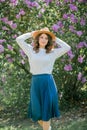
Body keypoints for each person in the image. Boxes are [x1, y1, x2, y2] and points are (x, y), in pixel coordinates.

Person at [16, 27, 71, 130]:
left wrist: (54, 38)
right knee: (36, 113)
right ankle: (48, 128)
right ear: (37, 39)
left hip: (48, 83)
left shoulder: (53, 52)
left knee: (46, 112)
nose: (44, 39)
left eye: (46, 38)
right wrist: (32, 33)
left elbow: (67, 47)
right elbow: (19, 39)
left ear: (49, 40)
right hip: (36, 83)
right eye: (41, 37)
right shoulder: (30, 50)